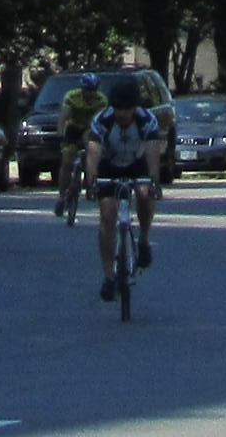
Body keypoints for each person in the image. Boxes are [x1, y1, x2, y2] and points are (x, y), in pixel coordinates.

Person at [89, 70, 161, 296]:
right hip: (109, 165)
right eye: (117, 108)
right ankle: (108, 277)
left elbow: (152, 151)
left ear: (135, 107)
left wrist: (154, 180)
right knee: (107, 214)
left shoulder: (147, 120)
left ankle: (144, 240)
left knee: (144, 194)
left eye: (127, 108)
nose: (121, 113)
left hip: (137, 163)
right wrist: (91, 180)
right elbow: (93, 151)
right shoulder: (101, 120)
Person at [51, 71, 103, 222]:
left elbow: (102, 120)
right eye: (87, 90)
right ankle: (62, 196)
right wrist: (60, 134)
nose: (90, 94)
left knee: (91, 149)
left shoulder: (101, 100)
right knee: (67, 161)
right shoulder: (72, 97)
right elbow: (63, 117)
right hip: (73, 128)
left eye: (93, 90)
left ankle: (90, 182)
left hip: (89, 129)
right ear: (82, 88)